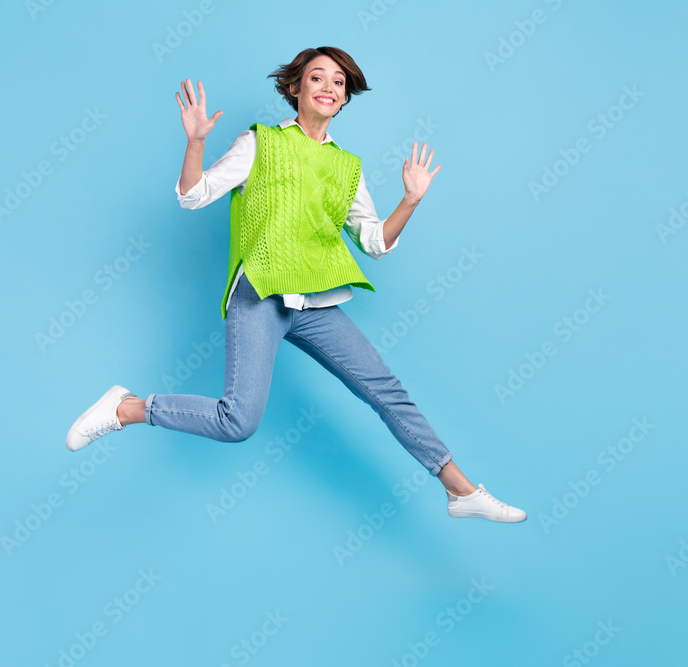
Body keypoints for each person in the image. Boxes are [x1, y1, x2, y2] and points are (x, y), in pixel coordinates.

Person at [65, 46, 526, 522]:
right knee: (238, 421)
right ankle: (127, 408)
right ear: (294, 89)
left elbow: (374, 243)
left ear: (344, 99)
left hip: (316, 301)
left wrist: (409, 201)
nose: (328, 87)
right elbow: (192, 195)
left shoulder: (347, 166)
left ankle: (460, 491)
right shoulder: (260, 142)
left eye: (339, 82)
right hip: (261, 292)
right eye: (317, 78)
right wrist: (197, 142)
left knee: (385, 390)